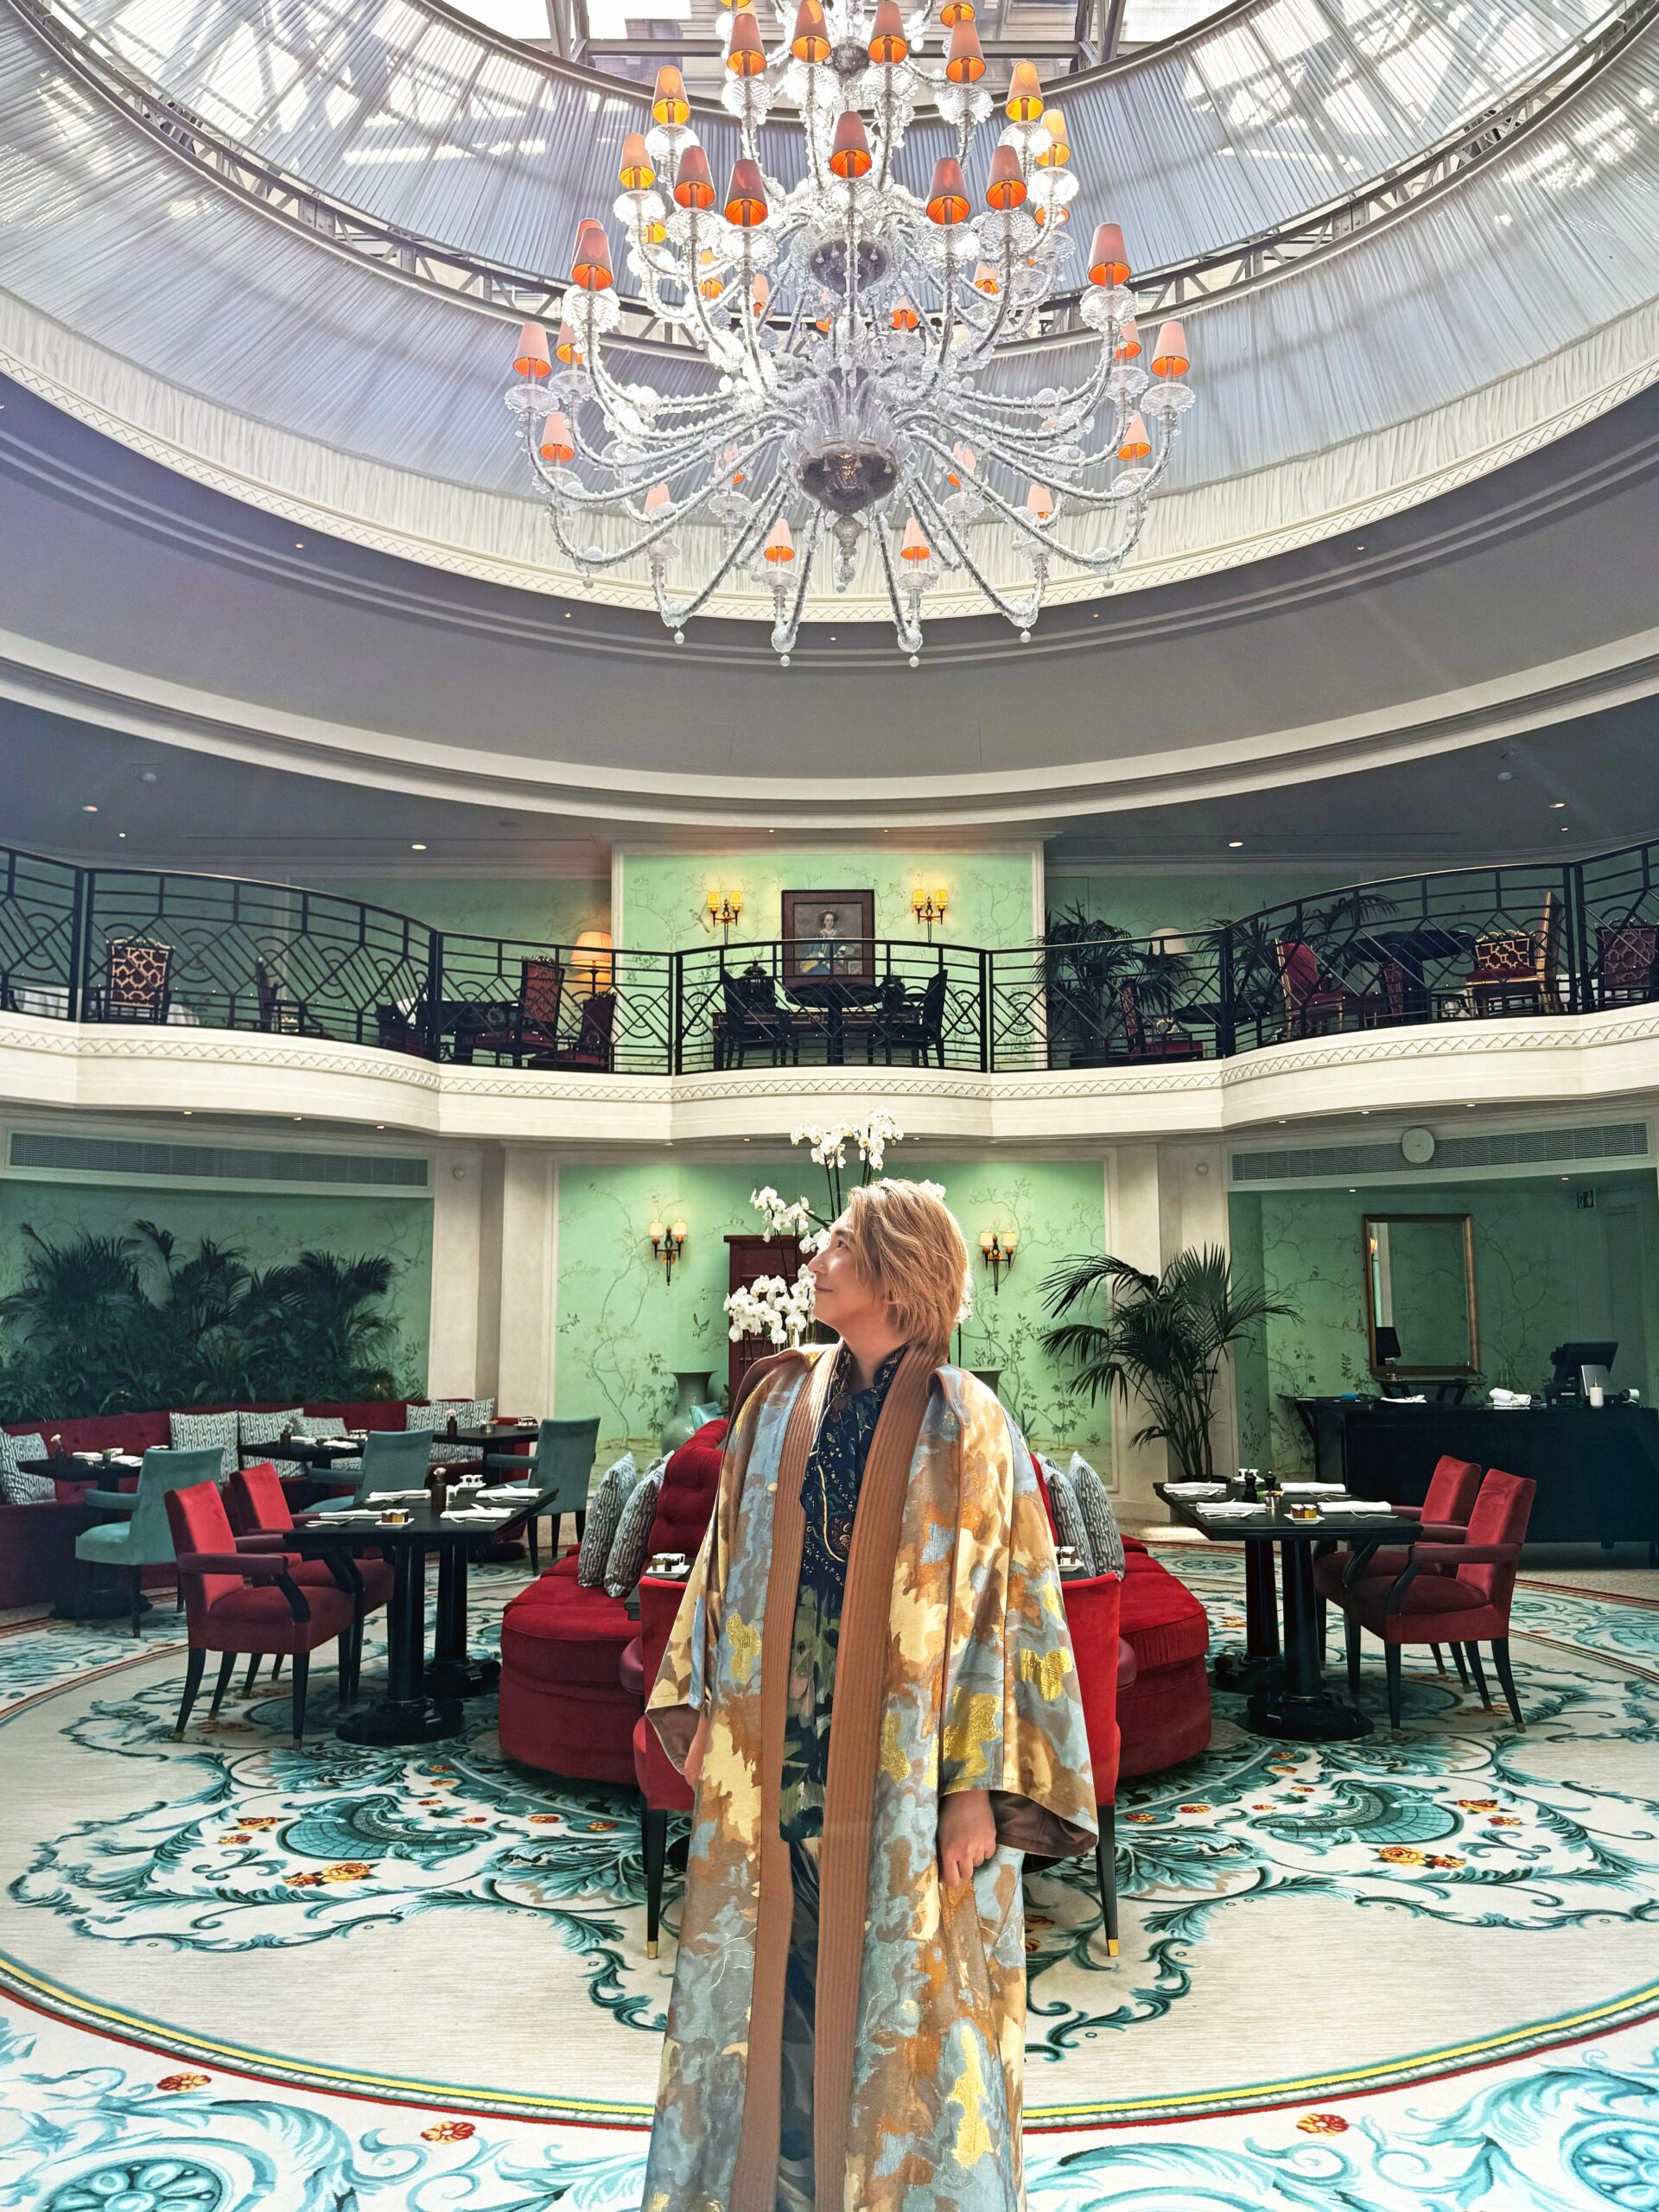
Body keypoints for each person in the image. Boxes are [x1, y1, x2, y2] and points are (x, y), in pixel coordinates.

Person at [641, 1179, 1096, 2212]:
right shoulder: (772, 1400)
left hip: (907, 1761)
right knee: (778, 1978)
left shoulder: (966, 1422)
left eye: (840, 1242)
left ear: (895, 1271)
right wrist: (708, 1705)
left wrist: (975, 1787)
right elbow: (724, 1560)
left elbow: (1005, 1610)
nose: (815, 1255)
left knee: (910, 1990)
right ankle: (780, 2187)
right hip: (777, 1745)